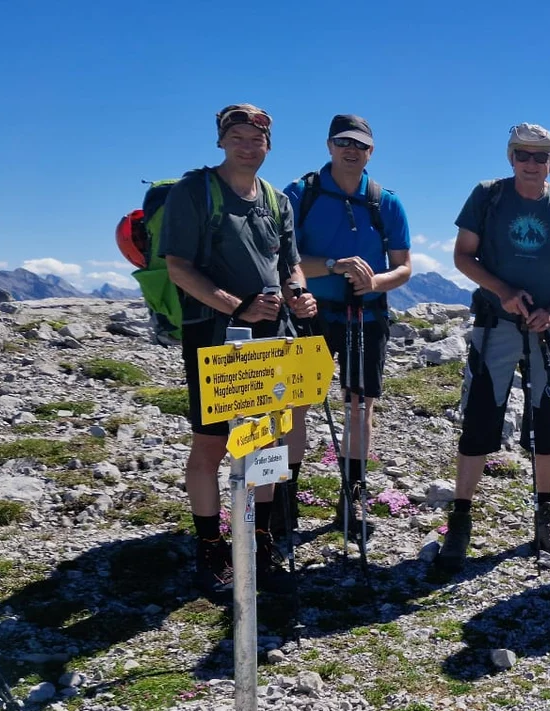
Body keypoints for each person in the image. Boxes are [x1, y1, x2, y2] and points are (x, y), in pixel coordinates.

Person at [160, 104, 316, 601]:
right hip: (211, 334)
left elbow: (289, 262)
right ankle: (210, 544)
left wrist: (298, 293)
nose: (249, 146)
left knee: (265, 439)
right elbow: (178, 266)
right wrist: (236, 306)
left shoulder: (275, 200)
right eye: (239, 137)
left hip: (269, 339)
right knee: (212, 443)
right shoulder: (195, 191)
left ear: (269, 145)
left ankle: (259, 537)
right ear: (222, 141)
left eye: (258, 139)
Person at [434, 123, 550, 573]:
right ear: (510, 157)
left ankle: (545, 515)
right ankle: (460, 520)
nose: (530, 162)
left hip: (546, 325)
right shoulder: (488, 196)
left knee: (546, 417)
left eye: (540, 156)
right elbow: (463, 255)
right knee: (482, 414)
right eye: (523, 154)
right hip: (495, 322)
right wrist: (502, 291)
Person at [284, 114, 413, 545]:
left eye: (360, 144)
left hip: (368, 312)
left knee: (360, 405)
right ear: (329, 145)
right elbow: (286, 259)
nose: (351, 150)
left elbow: (403, 267)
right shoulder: (300, 194)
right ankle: (285, 497)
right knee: (298, 404)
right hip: (311, 311)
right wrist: (337, 265)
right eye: (343, 142)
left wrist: (374, 282)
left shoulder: (385, 201)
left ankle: (352, 496)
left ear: (371, 152)